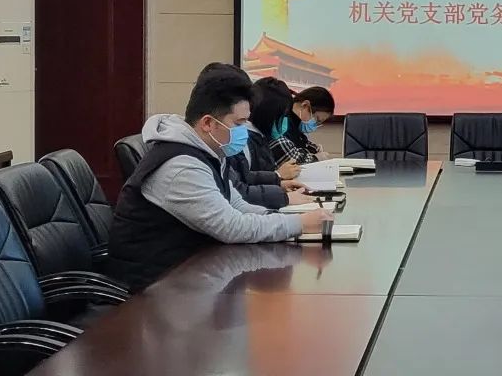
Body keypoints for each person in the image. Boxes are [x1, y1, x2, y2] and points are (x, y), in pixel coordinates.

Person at [108, 69, 331, 291]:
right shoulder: (181, 166)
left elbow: (237, 205)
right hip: (152, 290)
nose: (244, 132)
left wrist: (285, 219)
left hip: (190, 274)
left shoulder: (210, 152)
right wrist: (298, 224)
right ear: (208, 123)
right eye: (239, 123)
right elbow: (231, 226)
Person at [197, 64, 309, 210]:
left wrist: (277, 182)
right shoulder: (227, 141)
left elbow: (242, 178)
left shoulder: (237, 140)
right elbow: (238, 194)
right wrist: (282, 195)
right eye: (239, 122)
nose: (243, 126)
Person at [249, 81, 335, 166]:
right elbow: (289, 157)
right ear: (305, 105)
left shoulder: (297, 125)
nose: (315, 125)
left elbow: (303, 145)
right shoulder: (278, 122)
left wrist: (314, 150)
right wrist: (316, 158)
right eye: (317, 119)